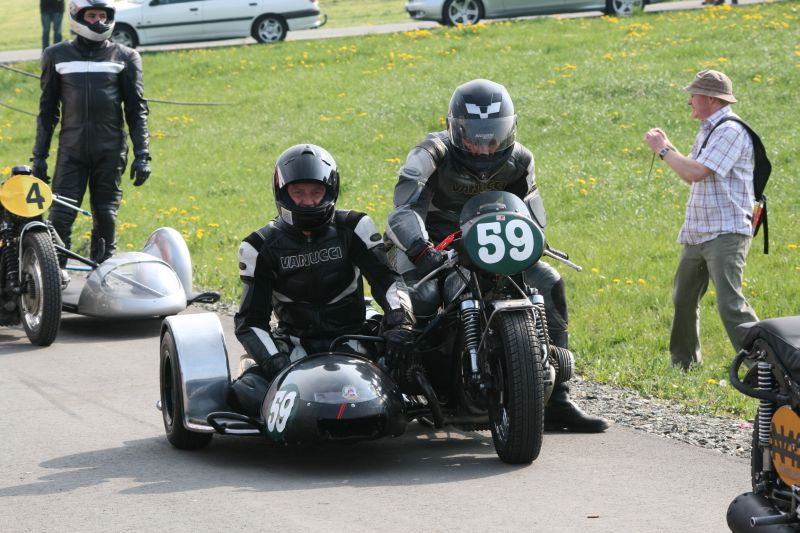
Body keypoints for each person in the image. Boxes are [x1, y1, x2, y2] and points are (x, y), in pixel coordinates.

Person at [384, 78, 608, 433]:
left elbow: (532, 212)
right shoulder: (429, 154)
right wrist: (421, 249)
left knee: (548, 282)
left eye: (495, 133)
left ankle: (557, 399)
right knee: (421, 297)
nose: (485, 145)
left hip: (492, 241)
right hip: (434, 245)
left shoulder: (520, 158)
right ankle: (407, 388)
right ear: (453, 128)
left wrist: (534, 240)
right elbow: (403, 211)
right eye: (474, 134)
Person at [231, 144, 415, 415]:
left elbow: (388, 281)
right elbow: (250, 322)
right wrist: (275, 364)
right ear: (282, 192)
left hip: (355, 338)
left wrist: (401, 325)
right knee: (243, 395)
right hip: (294, 346)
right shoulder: (259, 246)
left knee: (415, 371)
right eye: (298, 193)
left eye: (316, 193)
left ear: (331, 191)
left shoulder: (354, 227)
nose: (308, 201)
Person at [645, 69, 758, 370]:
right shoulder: (709, 129)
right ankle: (683, 366)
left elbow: (695, 173)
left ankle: (767, 370)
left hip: (726, 231)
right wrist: (668, 150)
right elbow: (691, 173)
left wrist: (663, 149)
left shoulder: (731, 131)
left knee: (730, 304)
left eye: (693, 95)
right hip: (698, 232)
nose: (689, 101)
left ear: (711, 98)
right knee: (683, 298)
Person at [31, 0, 150, 266]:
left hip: (110, 151)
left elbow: (137, 109)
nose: (98, 21)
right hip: (71, 151)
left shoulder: (126, 56)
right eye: (92, 15)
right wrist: (39, 156)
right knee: (60, 215)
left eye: (102, 16)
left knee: (105, 214)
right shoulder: (56, 55)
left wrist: (143, 153)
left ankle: (102, 272)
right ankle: (55, 274)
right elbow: (48, 111)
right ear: (77, 17)